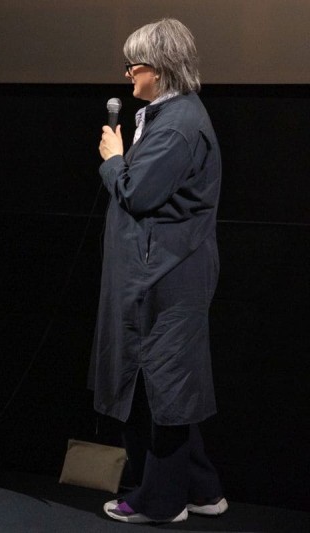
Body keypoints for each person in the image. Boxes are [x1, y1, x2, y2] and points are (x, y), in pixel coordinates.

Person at [90, 19, 227, 523]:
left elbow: (139, 193)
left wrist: (113, 160)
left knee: (167, 384)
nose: (128, 74)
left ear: (161, 69)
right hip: (165, 267)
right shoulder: (168, 114)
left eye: (136, 65)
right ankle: (202, 489)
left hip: (169, 272)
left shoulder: (178, 125)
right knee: (172, 380)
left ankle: (161, 501)